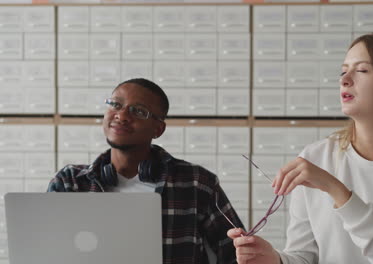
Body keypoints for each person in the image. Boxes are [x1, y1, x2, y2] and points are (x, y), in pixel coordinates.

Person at [228, 33, 373, 264]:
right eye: (343, 71)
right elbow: (305, 256)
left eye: (361, 70)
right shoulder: (313, 158)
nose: (344, 79)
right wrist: (275, 260)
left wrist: (334, 187)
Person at [48, 78, 244, 264]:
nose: (122, 115)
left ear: (158, 129)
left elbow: (238, 255)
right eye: (116, 104)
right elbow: (45, 251)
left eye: (139, 111)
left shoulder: (197, 183)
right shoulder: (70, 182)